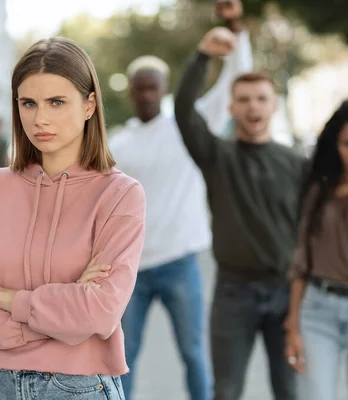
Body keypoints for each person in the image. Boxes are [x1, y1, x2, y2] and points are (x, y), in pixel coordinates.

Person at [0, 37, 146, 400]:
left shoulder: (120, 194)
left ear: (89, 105)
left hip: (78, 387)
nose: (40, 119)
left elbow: (99, 312)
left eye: (56, 102)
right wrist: (59, 319)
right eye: (28, 103)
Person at [109, 2, 250, 398]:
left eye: (153, 86)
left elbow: (233, 80)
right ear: (132, 91)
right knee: (123, 355)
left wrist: (234, 27)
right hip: (131, 270)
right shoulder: (117, 143)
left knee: (193, 354)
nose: (146, 94)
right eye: (140, 87)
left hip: (180, 262)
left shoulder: (187, 127)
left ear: (165, 89)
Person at [175, 26, 306, 400]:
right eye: (244, 99)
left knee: (289, 391)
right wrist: (202, 55)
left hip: (286, 295)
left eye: (261, 98)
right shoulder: (218, 157)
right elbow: (184, 111)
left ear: (273, 105)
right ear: (232, 108)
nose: (252, 106)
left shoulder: (297, 164)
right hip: (233, 294)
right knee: (227, 391)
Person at [284, 100, 348, 400]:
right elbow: (301, 263)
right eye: (347, 143)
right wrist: (293, 324)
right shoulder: (318, 193)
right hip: (318, 310)